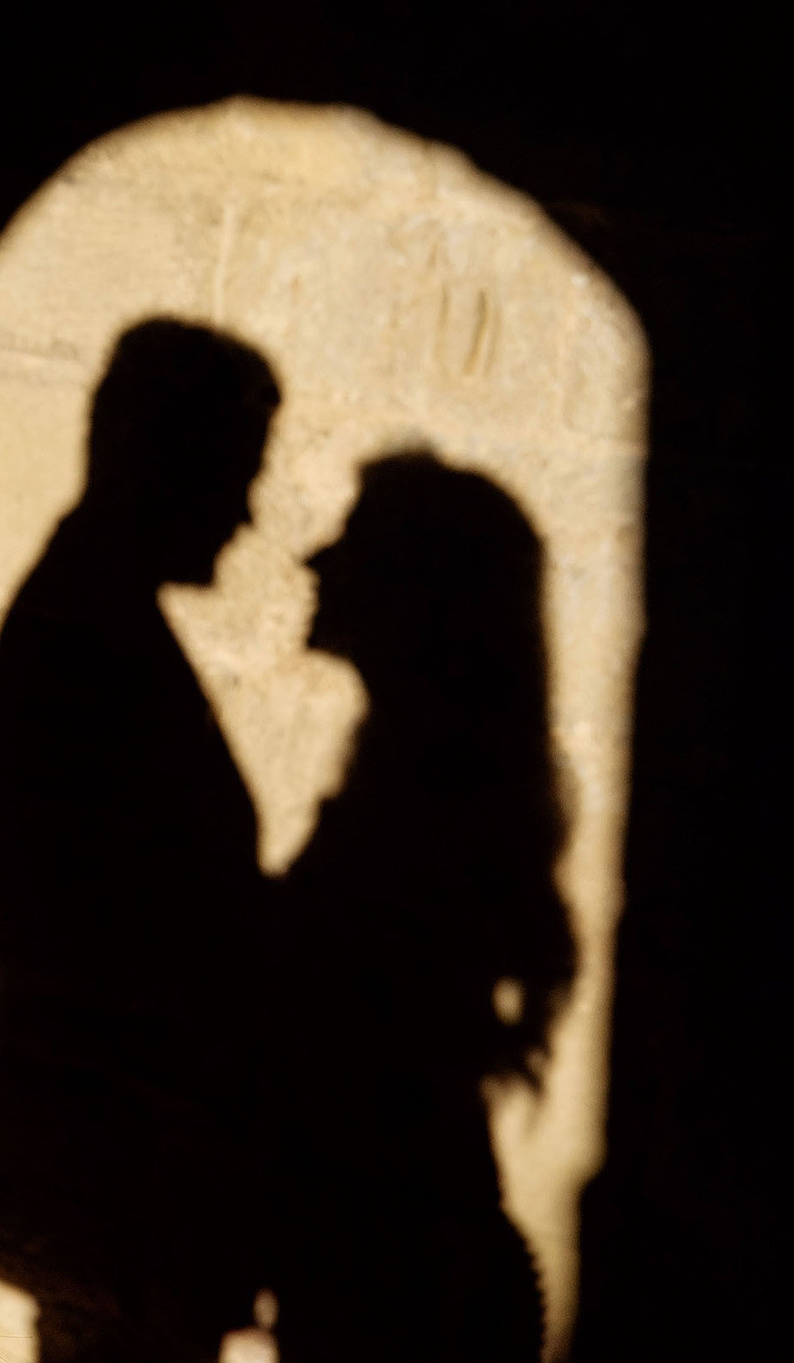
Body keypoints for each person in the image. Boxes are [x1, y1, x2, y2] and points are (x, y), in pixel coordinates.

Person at [0, 318, 279, 1361]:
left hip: (130, 1183)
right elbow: (125, 931)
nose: (244, 513)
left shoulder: (99, 623)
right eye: (236, 471)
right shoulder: (87, 645)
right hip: (123, 1182)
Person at [270, 452, 573, 1362]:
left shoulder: (421, 812)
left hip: (390, 1257)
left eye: (355, 542)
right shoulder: (429, 788)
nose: (317, 562)